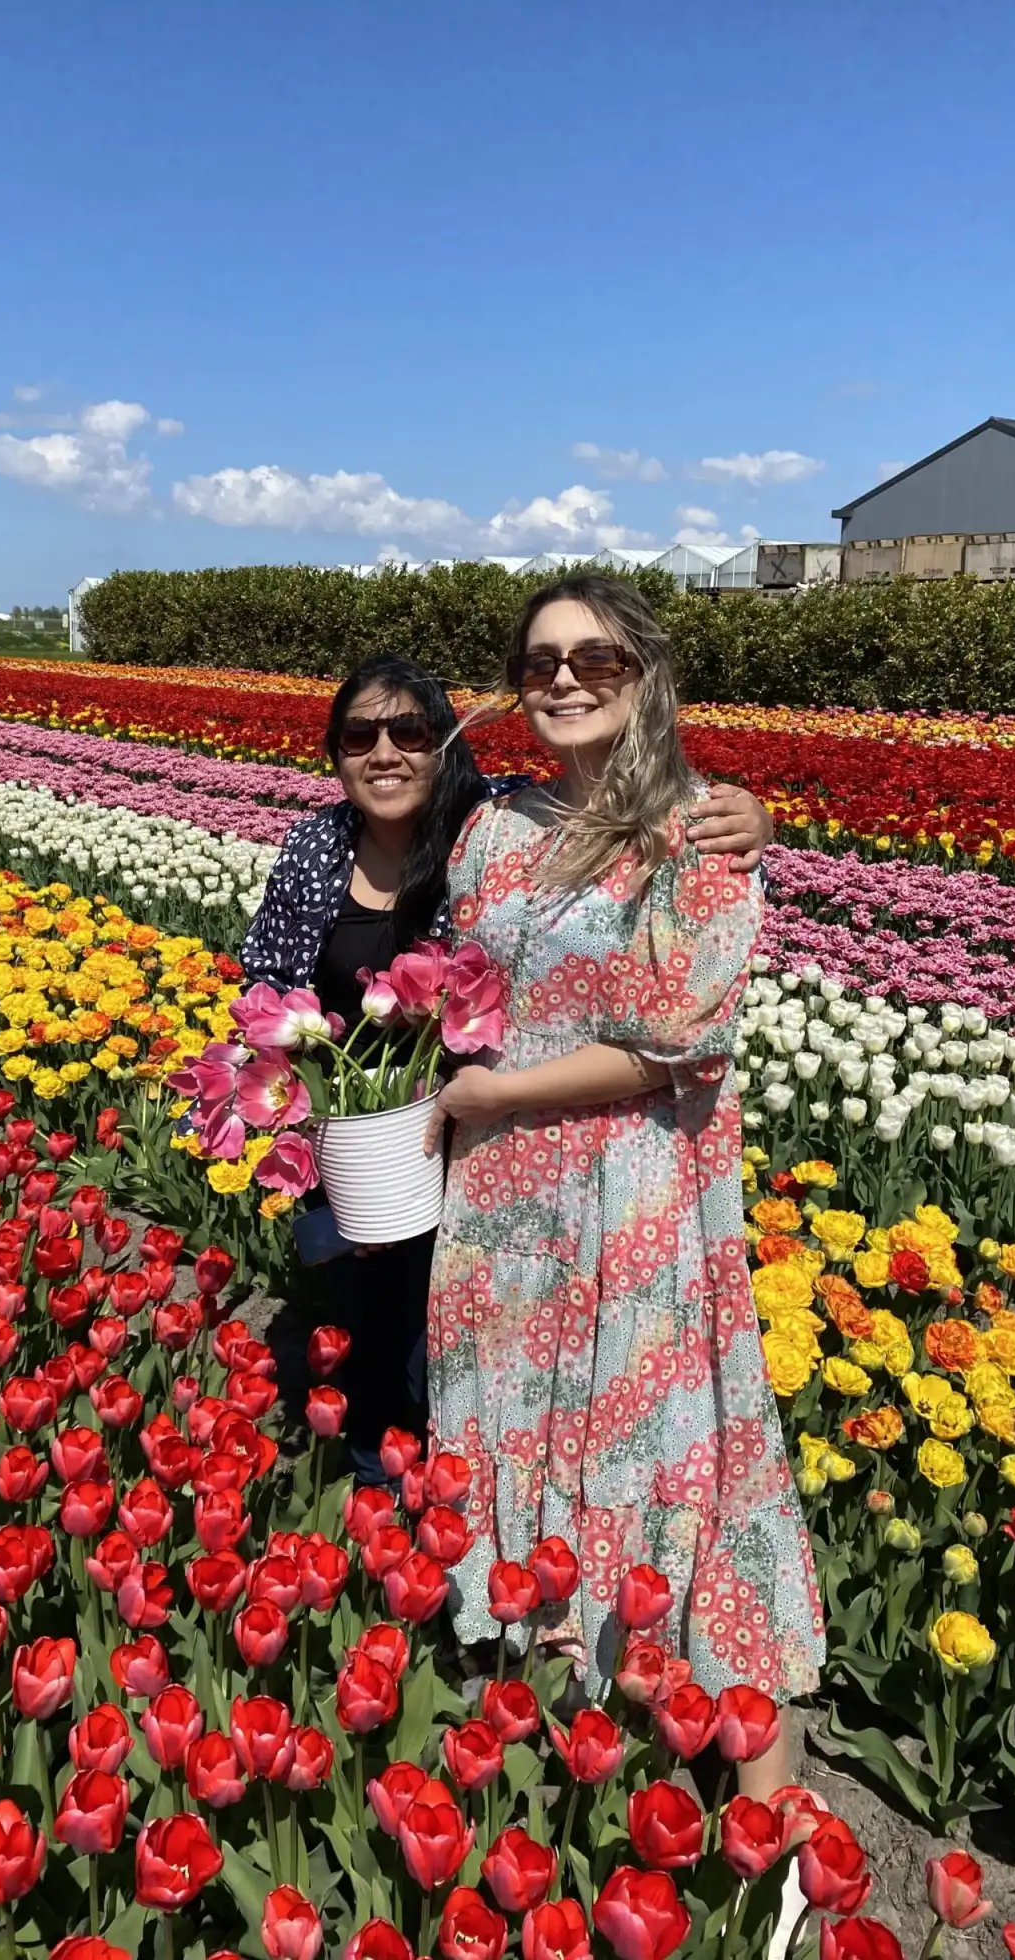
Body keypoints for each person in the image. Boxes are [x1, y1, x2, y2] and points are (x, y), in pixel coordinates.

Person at [422, 573, 824, 1795]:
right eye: (540, 658)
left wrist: (495, 1095)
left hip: (635, 1205)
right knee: (521, 1438)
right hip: (498, 1213)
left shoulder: (699, 828)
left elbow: (678, 1036)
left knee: (662, 1454)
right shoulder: (491, 827)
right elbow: (460, 981)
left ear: (643, 676)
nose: (561, 678)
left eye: (594, 658)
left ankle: (773, 1836)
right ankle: (573, 1737)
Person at [239, 649, 773, 1488]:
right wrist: (305, 1109)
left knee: (456, 1357)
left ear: (447, 743)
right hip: (350, 1149)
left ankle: (452, 1516)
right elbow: (265, 988)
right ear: (335, 755)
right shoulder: (315, 849)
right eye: (358, 736)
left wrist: (750, 818)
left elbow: (623, 809)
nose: (385, 753)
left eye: (410, 730)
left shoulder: (495, 823)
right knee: (369, 1344)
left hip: (473, 1138)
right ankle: (378, 1519)